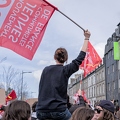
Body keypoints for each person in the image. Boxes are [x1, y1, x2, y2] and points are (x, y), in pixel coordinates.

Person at [36, 30, 91, 120]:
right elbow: (80, 57)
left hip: (41, 111)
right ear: (66, 59)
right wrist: (86, 38)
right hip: (58, 110)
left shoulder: (45, 70)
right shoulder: (65, 70)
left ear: (54, 57)